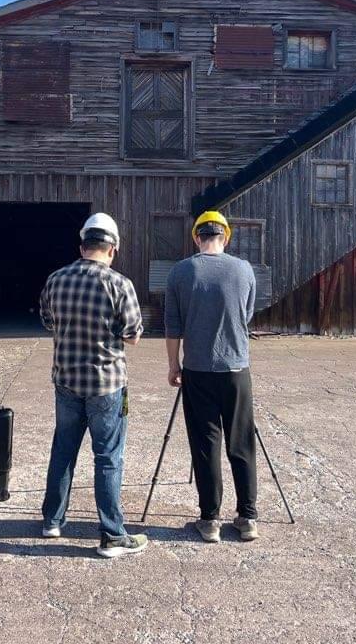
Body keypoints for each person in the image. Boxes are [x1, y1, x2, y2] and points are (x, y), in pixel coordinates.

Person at [39, 212, 148, 558]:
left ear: (82, 245)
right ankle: (113, 535)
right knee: (107, 457)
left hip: (66, 380)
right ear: (112, 249)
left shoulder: (56, 280)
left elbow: (47, 322)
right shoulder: (120, 285)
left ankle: (52, 521)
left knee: (63, 450)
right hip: (106, 384)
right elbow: (132, 336)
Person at [164, 210, 259, 543]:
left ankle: (210, 519)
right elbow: (246, 314)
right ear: (226, 237)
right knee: (241, 442)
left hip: (198, 370)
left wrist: (174, 365)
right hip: (236, 369)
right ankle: (247, 517)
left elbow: (173, 326)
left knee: (206, 444)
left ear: (196, 237)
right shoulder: (244, 270)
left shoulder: (180, 272)